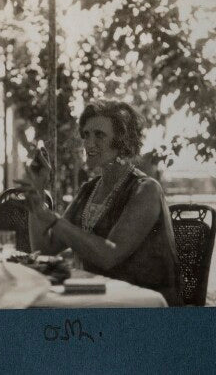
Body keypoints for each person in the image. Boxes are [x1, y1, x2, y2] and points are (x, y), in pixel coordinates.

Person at [17, 100, 183, 306]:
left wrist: (51, 218)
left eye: (99, 135)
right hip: (100, 299)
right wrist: (38, 193)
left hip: (144, 306)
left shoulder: (146, 189)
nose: (88, 143)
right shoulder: (89, 189)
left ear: (122, 141)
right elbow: (46, 250)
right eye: (86, 135)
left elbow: (109, 255)